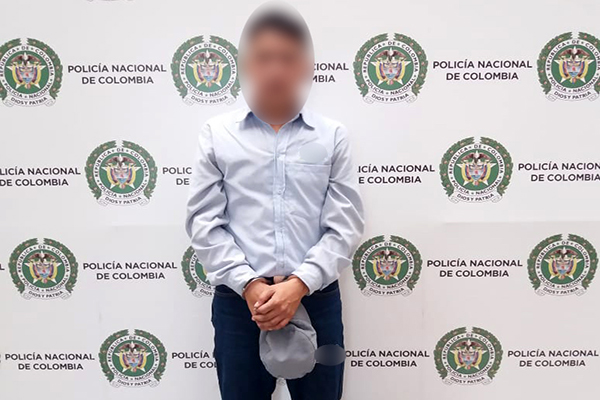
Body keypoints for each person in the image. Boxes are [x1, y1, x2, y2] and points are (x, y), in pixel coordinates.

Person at [185, 2, 365, 399]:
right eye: (264, 58)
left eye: (288, 58)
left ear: (307, 67)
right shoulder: (217, 134)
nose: (276, 69)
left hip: (316, 300)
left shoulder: (331, 136)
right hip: (239, 306)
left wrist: (299, 285)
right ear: (246, 65)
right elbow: (203, 221)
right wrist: (249, 285)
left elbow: (345, 223)